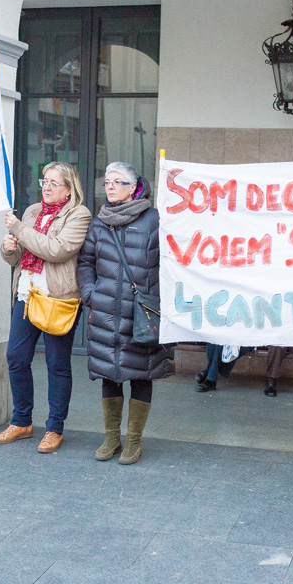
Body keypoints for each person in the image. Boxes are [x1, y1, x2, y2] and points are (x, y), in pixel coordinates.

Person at [78, 162, 173, 464]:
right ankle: (111, 438)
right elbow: (85, 263)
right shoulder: (98, 223)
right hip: (106, 312)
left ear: (133, 188)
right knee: (110, 373)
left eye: (118, 182)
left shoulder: (155, 220)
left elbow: (172, 260)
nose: (110, 187)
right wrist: (90, 293)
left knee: (141, 374)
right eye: (107, 181)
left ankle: (134, 440)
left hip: (141, 314)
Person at [0, 163, 91, 453]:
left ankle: (54, 428)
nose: (46, 188)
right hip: (27, 294)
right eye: (44, 181)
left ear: (69, 188)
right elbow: (21, 256)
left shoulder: (79, 214)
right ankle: (22, 421)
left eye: (53, 183)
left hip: (58, 300)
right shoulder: (32, 211)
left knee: (57, 365)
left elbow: (56, 250)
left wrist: (19, 230)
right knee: (16, 357)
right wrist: (9, 248)